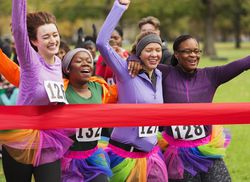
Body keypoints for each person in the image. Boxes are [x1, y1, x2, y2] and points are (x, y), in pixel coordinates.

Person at [0, 0, 74, 181]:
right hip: (21, 139)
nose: (53, 40)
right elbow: (18, 29)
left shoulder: (60, 64)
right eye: (46, 36)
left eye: (55, 35)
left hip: (49, 137)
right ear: (34, 41)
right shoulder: (30, 62)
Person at [96, 0, 168, 181]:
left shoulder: (159, 75)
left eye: (158, 50)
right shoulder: (126, 70)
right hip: (124, 156)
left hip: (151, 155)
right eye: (148, 50)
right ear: (139, 52)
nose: (154, 54)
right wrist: (119, 7)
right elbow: (102, 43)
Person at [61, 48, 113, 182]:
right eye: (79, 61)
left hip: (93, 154)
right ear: (67, 69)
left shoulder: (99, 87)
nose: (86, 64)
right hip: (68, 158)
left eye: (89, 61)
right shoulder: (61, 89)